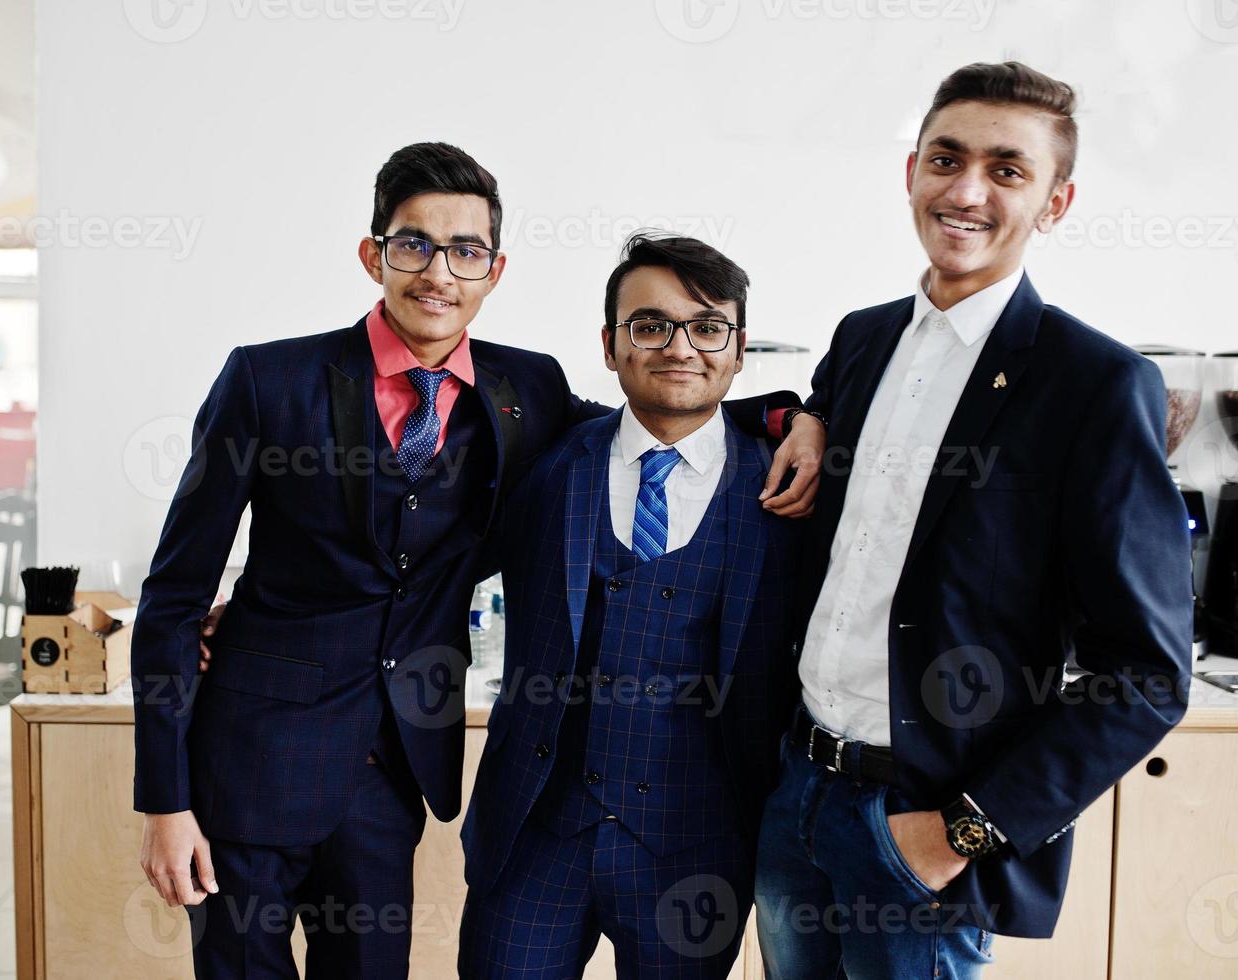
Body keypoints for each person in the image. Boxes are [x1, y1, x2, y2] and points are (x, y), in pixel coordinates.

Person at [132, 142, 824, 979]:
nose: (437, 273)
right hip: (251, 760)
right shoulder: (266, 380)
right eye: (413, 244)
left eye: (465, 251)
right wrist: (164, 800)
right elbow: (172, 598)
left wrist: (795, 417)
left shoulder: (524, 391)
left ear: (493, 270)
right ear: (374, 255)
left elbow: (668, 400)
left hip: (390, 777)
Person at [753, 61, 1192, 980]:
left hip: (917, 827)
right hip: (796, 793)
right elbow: (822, 408)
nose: (965, 190)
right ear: (909, 169)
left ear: (1055, 203)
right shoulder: (861, 338)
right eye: (946, 159)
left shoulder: (1095, 384)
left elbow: (1147, 675)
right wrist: (805, 412)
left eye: (1006, 169)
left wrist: (963, 831)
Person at [457, 234, 803, 978]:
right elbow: (423, 560)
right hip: (532, 835)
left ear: (739, 349)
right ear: (610, 347)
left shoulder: (790, 493)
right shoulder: (542, 467)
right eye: (648, 325)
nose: (678, 346)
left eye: (706, 326)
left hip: (699, 849)